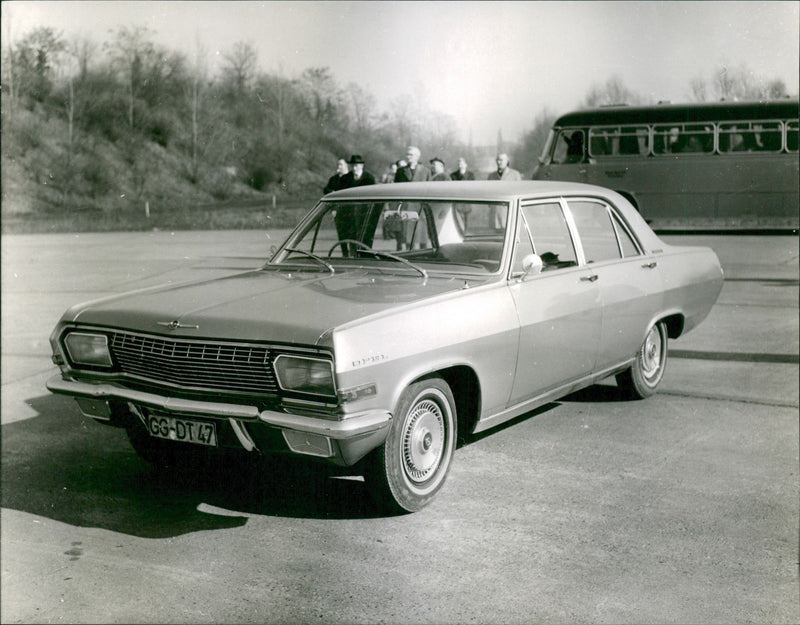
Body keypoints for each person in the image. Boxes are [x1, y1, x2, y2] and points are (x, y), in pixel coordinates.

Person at [335, 155, 378, 255]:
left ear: (362, 166)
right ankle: (352, 256)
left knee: (365, 240)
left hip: (364, 215)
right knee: (352, 238)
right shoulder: (345, 178)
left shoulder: (369, 178)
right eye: (353, 165)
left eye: (357, 165)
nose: (354, 168)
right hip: (349, 215)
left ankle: (365, 257)